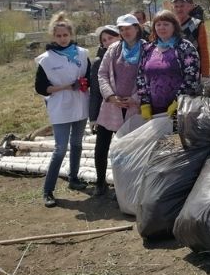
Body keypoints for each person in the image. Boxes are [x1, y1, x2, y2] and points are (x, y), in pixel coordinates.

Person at [34, 12, 91, 208]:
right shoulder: (46, 60)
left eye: (65, 35)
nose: (62, 39)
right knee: (59, 149)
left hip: (80, 104)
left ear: (71, 34)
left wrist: (84, 83)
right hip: (60, 107)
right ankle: (48, 190)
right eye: (58, 36)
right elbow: (41, 88)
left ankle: (74, 178)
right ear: (53, 36)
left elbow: (89, 77)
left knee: (76, 144)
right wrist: (65, 87)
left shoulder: (82, 54)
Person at [93, 14, 145, 196]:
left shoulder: (147, 49)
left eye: (128, 28)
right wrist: (110, 95)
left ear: (137, 28)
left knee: (128, 149)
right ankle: (101, 183)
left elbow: (150, 76)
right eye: (121, 29)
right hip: (112, 106)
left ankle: (126, 187)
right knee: (102, 146)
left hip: (133, 106)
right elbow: (103, 73)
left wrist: (136, 98)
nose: (125, 32)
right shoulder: (115, 48)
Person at [137, 10, 201, 119]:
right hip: (154, 113)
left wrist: (178, 102)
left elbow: (192, 78)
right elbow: (140, 76)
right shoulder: (148, 49)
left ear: (174, 27)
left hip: (181, 110)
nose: (162, 27)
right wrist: (145, 103)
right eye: (158, 24)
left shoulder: (185, 47)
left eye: (166, 24)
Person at [89, 25, 120, 134]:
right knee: (102, 147)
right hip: (104, 111)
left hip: (123, 108)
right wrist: (93, 117)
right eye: (104, 40)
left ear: (119, 37)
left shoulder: (129, 57)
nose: (107, 42)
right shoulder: (98, 62)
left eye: (110, 38)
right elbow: (94, 92)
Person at [171, 0, 210, 77]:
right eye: (176, 6)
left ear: (188, 7)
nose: (179, 9)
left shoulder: (197, 24)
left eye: (182, 6)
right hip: (174, 72)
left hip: (193, 71)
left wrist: (205, 75)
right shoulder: (170, 25)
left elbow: (204, 51)